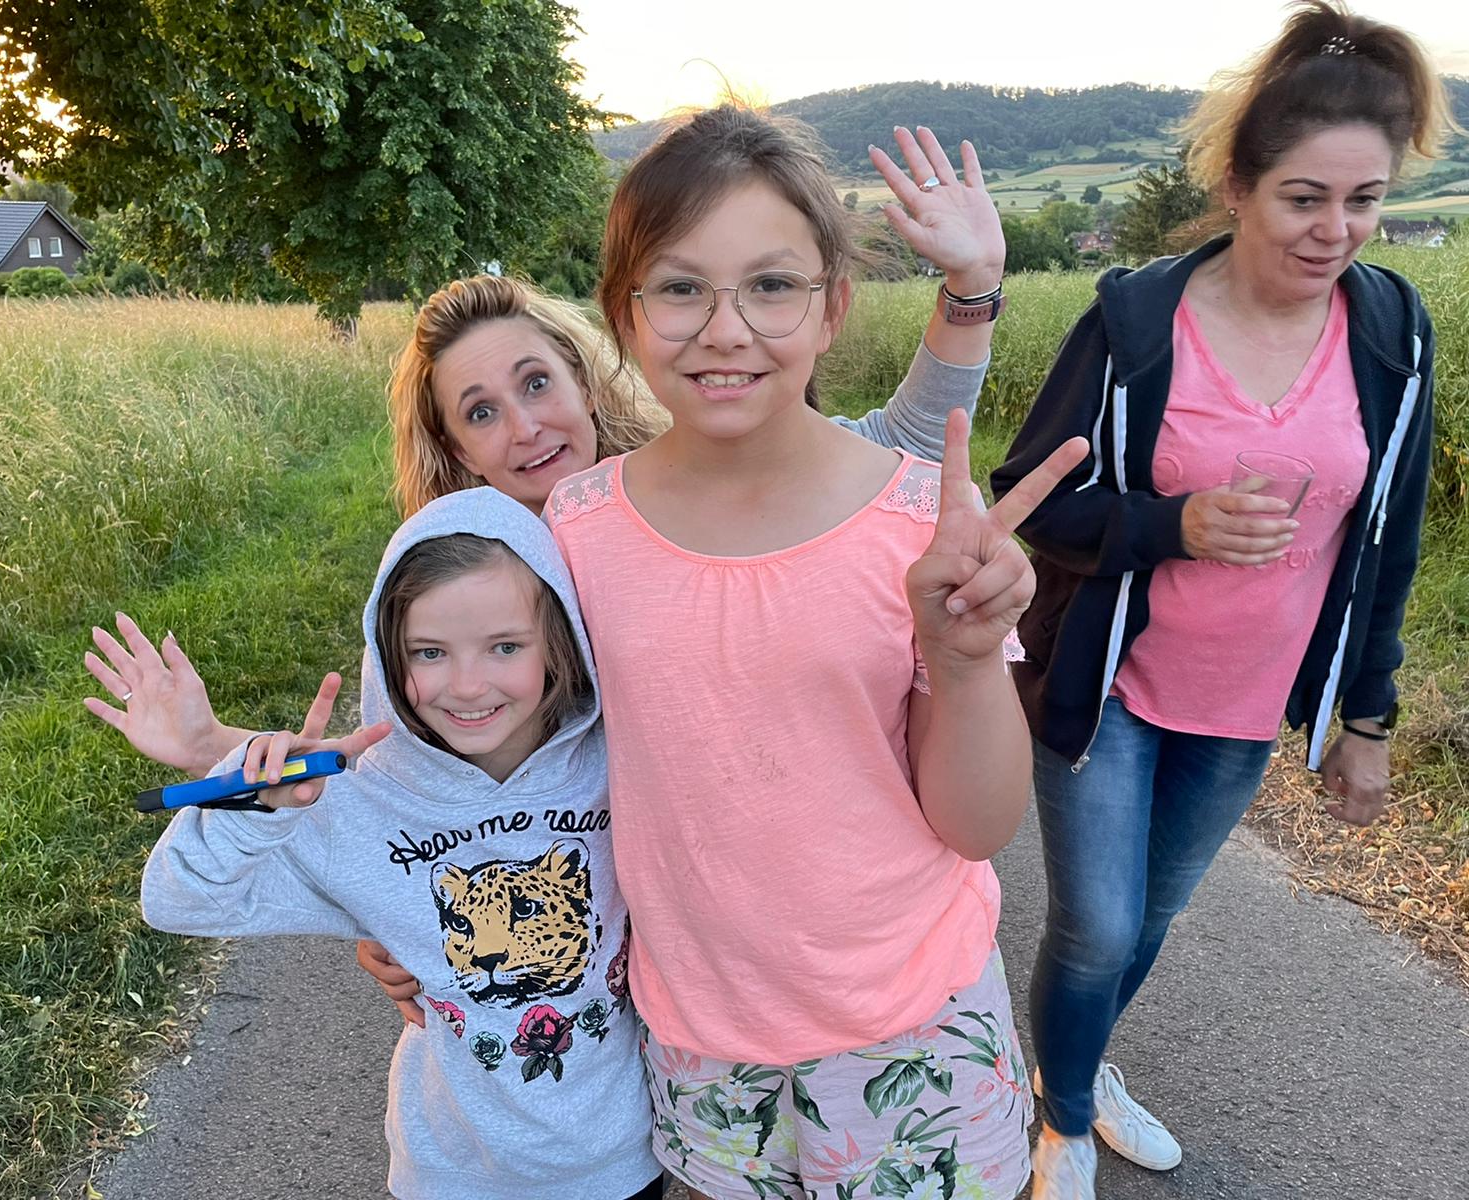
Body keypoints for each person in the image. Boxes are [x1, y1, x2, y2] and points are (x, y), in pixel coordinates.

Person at [85, 122, 1012, 1015]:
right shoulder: (487, 579)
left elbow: (899, 456)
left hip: (828, 954)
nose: (525, 428)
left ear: (585, 373)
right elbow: (418, 779)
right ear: (456, 451)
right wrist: (394, 921)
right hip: (641, 976)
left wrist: (970, 292)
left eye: (535, 384)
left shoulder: (708, 467)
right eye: (480, 412)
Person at [545, 105, 1085, 1200]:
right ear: (622, 312)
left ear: (833, 307)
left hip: (917, 1026)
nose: (725, 329)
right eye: (680, 287)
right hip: (699, 1038)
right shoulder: (575, 530)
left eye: (772, 285)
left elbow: (977, 826)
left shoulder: (919, 524)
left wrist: (965, 660)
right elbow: (537, 768)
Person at [989, 4, 1448, 1195]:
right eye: (1304, 198)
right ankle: (1060, 1121)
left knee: (1147, 923)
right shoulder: (1135, 324)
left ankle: (1074, 1071)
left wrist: (1366, 717)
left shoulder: (1392, 332)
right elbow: (1030, 499)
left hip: (1245, 704)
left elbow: (1388, 541)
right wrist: (1171, 525)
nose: (1335, 230)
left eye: (1364, 199)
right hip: (1111, 684)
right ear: (1237, 186)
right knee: (1095, 925)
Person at [141, 488, 664, 1200]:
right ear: (389, 659)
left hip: (619, 1161)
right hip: (455, 1174)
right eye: (430, 653)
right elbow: (178, 902)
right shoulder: (359, 804)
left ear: (560, 643)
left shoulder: (614, 763)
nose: (468, 686)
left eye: (505, 646)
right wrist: (249, 802)